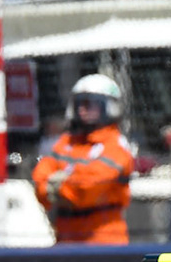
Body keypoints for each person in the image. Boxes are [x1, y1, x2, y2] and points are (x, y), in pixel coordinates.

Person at [32, 74, 136, 244]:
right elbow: (40, 177)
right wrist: (68, 184)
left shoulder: (116, 145)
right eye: (79, 104)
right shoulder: (67, 142)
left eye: (89, 104)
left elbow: (88, 188)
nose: (82, 110)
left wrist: (58, 185)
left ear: (109, 106)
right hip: (66, 239)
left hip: (105, 241)